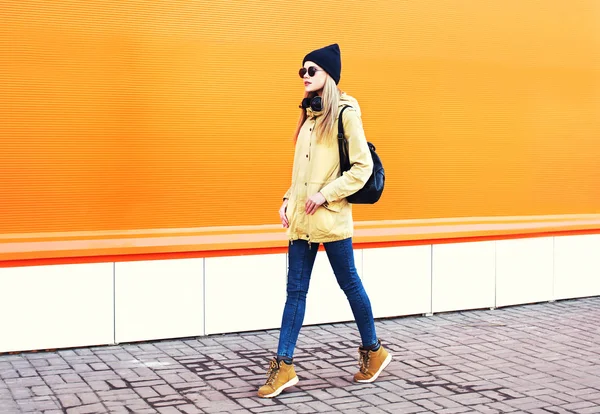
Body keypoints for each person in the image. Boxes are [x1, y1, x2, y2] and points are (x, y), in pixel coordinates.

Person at [257, 44, 392, 399]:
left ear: (328, 75)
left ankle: (373, 351)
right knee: (295, 292)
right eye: (301, 71)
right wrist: (288, 200)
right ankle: (284, 364)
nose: (304, 76)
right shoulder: (308, 115)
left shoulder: (346, 112)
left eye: (311, 70)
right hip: (302, 221)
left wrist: (325, 195)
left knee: (349, 284)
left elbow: (361, 169)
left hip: (330, 219)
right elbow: (302, 174)